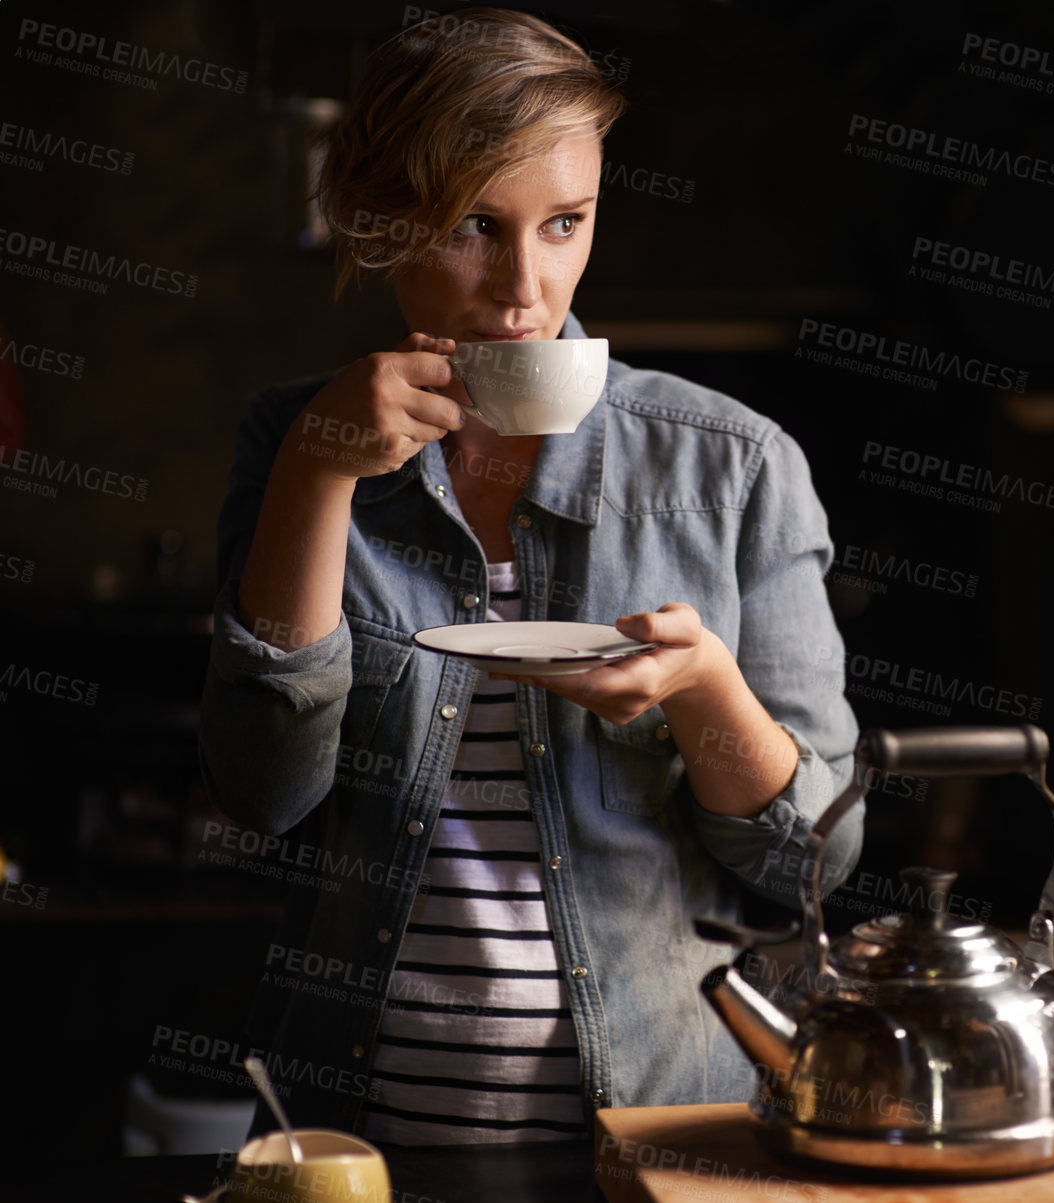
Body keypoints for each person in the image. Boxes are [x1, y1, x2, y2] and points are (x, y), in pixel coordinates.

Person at [198, 8, 862, 1145]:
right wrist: (319, 476)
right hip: (366, 1134)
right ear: (375, 223)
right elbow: (264, 795)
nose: (524, 288)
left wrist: (703, 689)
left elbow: (815, 861)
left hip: (661, 1137)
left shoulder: (736, 467)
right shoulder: (292, 440)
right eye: (472, 225)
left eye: (564, 224)